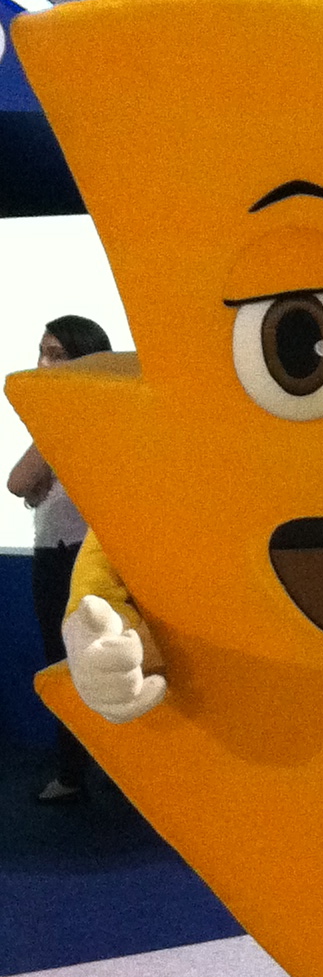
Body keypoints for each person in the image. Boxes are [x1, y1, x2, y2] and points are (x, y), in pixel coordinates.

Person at [6, 313, 112, 802]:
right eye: (42, 352)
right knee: (68, 667)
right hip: (55, 558)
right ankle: (76, 771)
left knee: (86, 667)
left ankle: (79, 775)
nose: (44, 364)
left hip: (82, 561)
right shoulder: (65, 422)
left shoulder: (84, 421)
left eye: (58, 355)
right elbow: (28, 487)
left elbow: (21, 483)